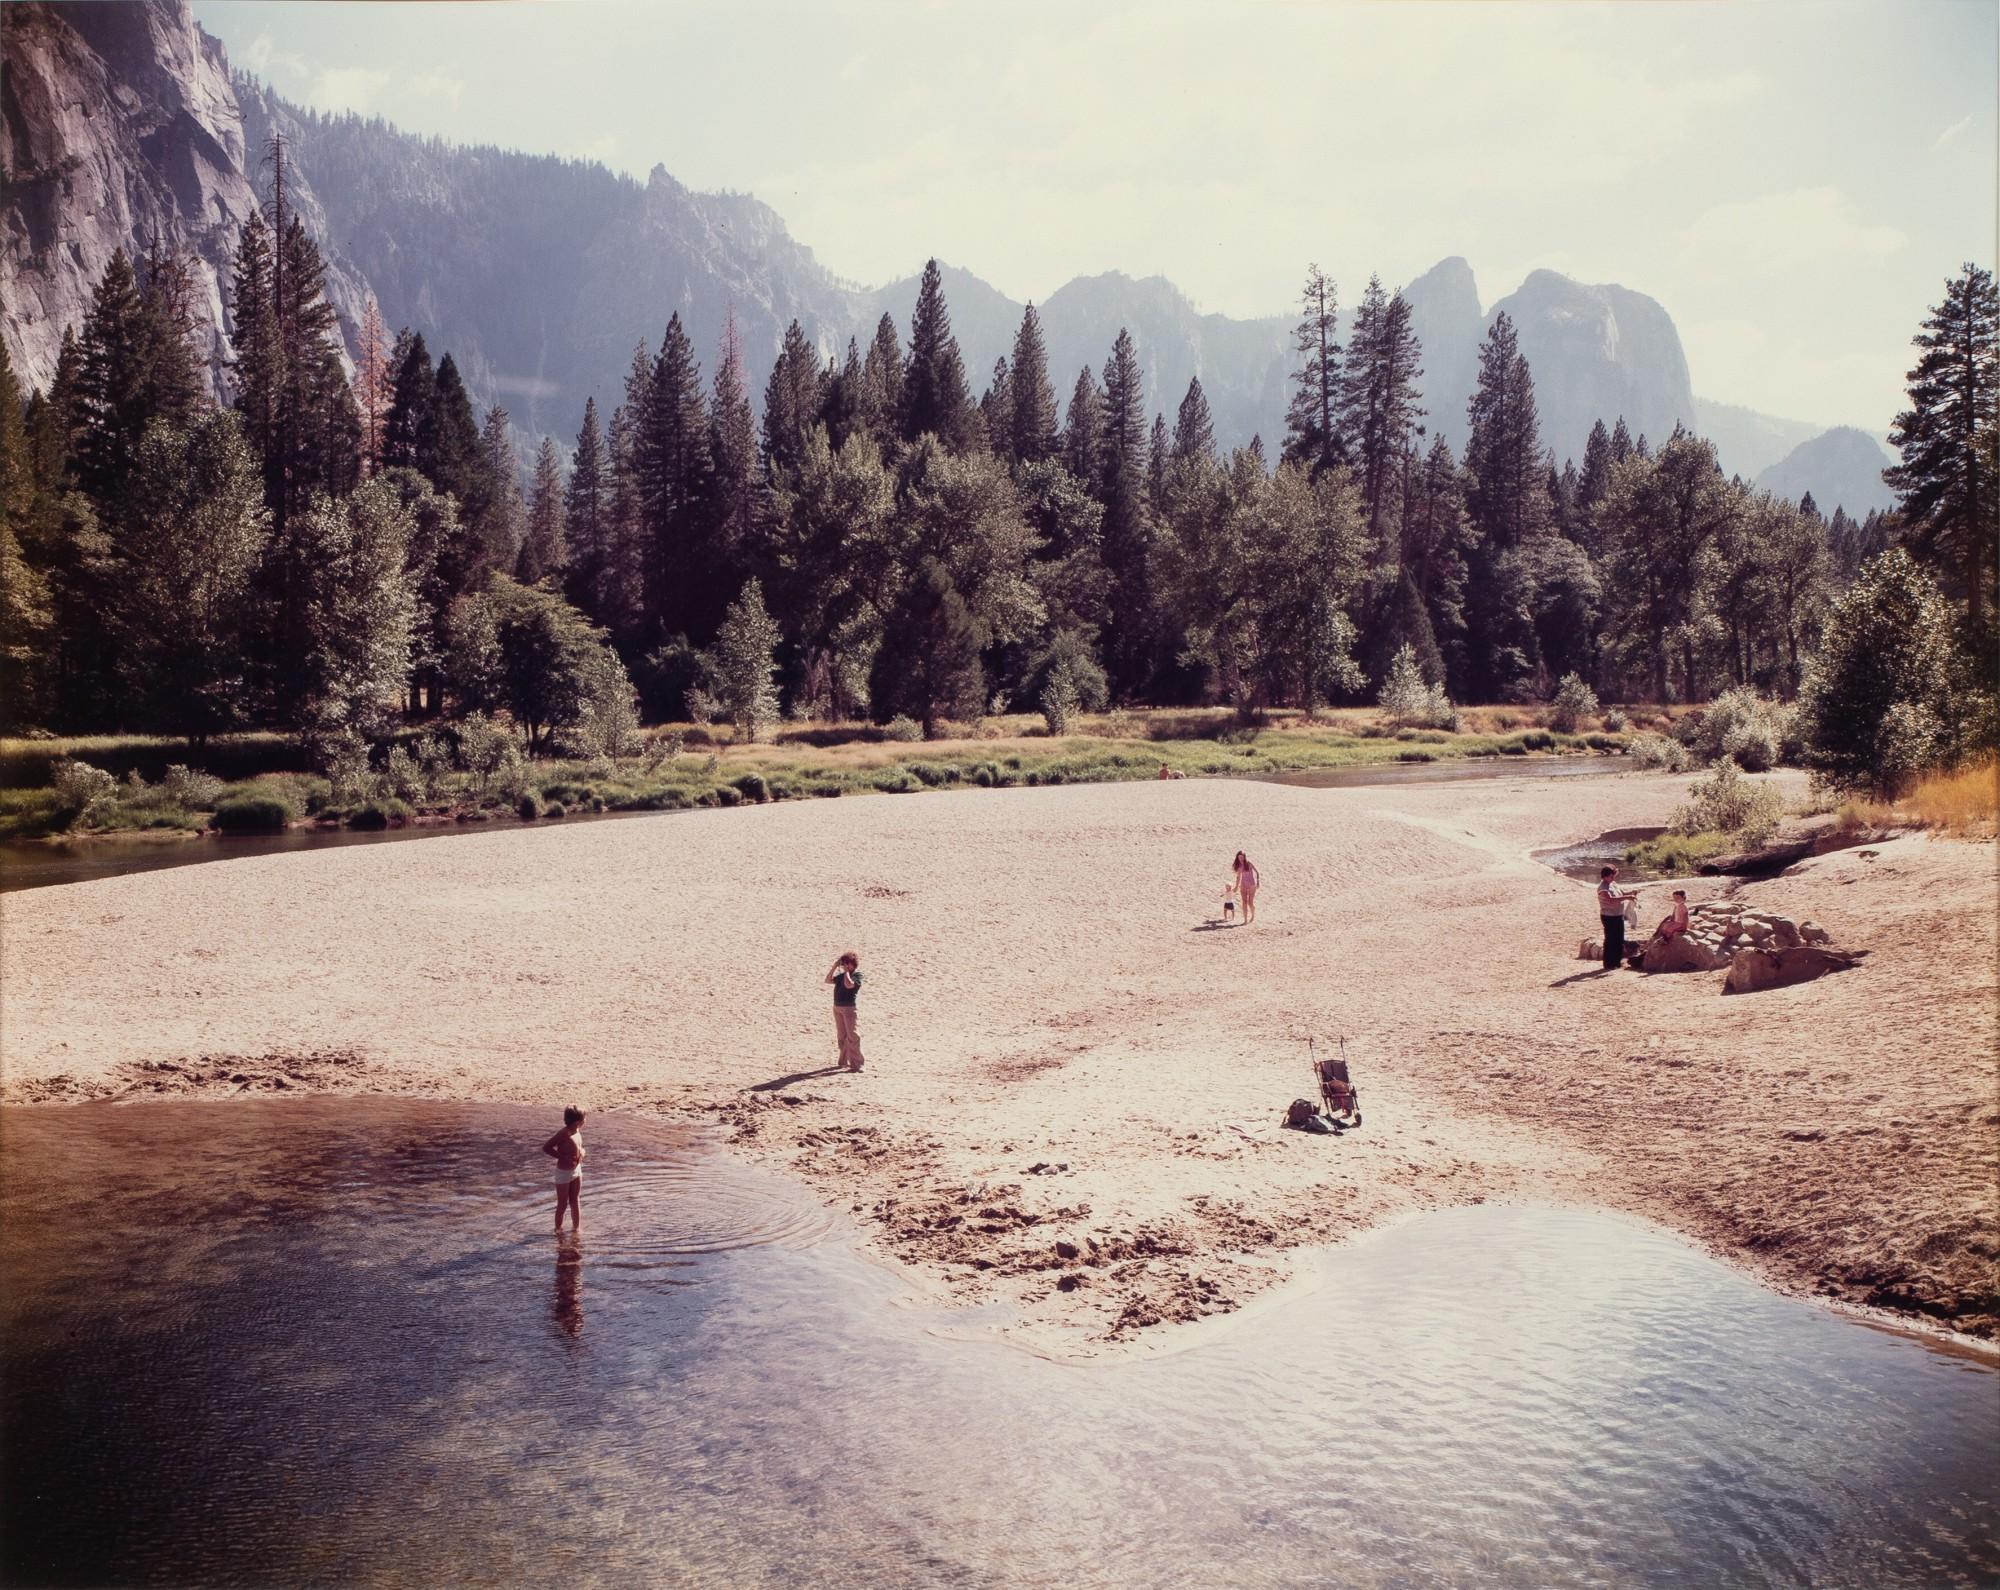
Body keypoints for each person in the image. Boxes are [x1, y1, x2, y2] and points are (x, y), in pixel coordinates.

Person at [542, 1105, 586, 1231]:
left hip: (577, 1170)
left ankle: (576, 1229)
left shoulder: (577, 1131)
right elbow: (546, 1147)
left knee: (575, 1200)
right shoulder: (563, 1133)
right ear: (578, 1122)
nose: (585, 1121)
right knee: (562, 1203)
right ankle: (558, 1231)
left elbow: (578, 1148)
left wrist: (583, 1152)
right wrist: (561, 1157)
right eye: (584, 1119)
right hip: (563, 1172)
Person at [826, 951, 865, 1072]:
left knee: (852, 1035)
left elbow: (849, 985)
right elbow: (828, 980)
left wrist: (847, 972)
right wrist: (834, 967)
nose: (844, 966)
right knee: (842, 1036)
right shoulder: (842, 976)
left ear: (852, 964)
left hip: (849, 1009)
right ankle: (844, 1061)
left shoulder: (857, 976)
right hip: (837, 1007)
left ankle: (857, 1063)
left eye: (847, 964)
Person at [1596, 865, 1639, 970]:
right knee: (1610, 940)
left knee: (1619, 939)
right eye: (1611, 876)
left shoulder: (1613, 884)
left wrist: (1631, 893)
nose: (1613, 877)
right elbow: (1612, 900)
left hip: (1618, 915)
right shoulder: (1603, 888)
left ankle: (1617, 962)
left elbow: (1622, 893)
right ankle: (1609, 963)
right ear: (1605, 876)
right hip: (1608, 916)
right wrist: (1627, 897)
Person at [1232, 851, 1260, 925]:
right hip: (1243, 885)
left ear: (1244, 857)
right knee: (1244, 902)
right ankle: (1245, 920)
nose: (1240, 858)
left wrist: (1258, 881)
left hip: (1252, 884)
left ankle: (1253, 915)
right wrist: (1236, 887)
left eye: (1242, 857)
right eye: (1239, 857)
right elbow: (1238, 877)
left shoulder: (1249, 863)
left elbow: (1257, 872)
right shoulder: (1239, 866)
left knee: (1250, 903)